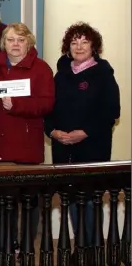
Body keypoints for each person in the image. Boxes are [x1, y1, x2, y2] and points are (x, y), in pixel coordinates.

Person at [44, 22, 120, 245]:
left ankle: (93, 249)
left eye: (84, 42)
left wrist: (84, 133)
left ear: (94, 46)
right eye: (73, 42)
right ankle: (81, 246)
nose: (79, 46)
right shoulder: (60, 75)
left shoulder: (104, 73)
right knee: (70, 200)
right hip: (63, 148)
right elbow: (48, 110)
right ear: (67, 47)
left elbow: (112, 112)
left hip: (92, 147)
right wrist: (53, 132)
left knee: (89, 201)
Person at [0, 22, 54, 249]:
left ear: (28, 43)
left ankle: (26, 245)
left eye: (21, 40)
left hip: (25, 144)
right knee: (3, 199)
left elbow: (46, 104)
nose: (15, 44)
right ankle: (5, 242)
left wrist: (17, 105)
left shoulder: (41, 68)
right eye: (11, 39)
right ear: (4, 43)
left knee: (29, 201)